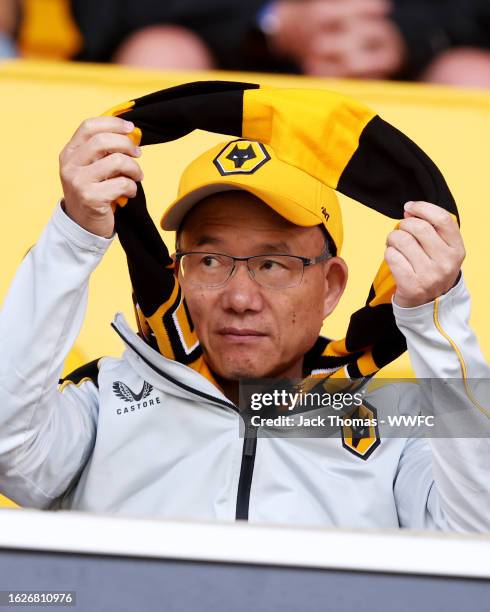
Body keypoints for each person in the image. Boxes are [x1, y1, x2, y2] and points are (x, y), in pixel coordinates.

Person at [0, 86, 489, 530]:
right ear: (178, 274)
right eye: (210, 261)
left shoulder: (396, 424)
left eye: (274, 265)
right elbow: (9, 451)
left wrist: (434, 321)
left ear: (331, 286)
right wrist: (74, 236)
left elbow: (478, 533)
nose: (239, 299)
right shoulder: (107, 399)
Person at [71, 0, 490, 87]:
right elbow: (105, 14)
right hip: (224, 55)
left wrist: (405, 34)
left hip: (407, 62)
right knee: (156, 56)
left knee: (475, 77)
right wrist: (269, 22)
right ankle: (143, 251)